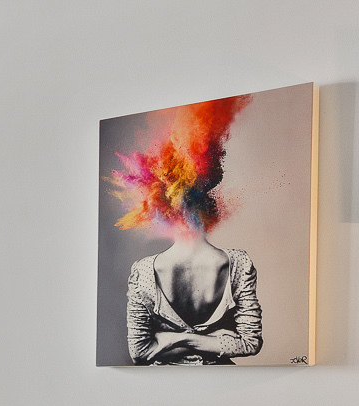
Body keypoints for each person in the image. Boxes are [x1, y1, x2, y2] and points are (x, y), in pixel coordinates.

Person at [110, 100, 263, 366]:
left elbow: (141, 352)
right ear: (210, 207)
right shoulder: (239, 264)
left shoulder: (143, 272)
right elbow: (249, 342)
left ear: (162, 207)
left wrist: (173, 340)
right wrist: (213, 340)